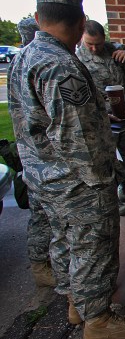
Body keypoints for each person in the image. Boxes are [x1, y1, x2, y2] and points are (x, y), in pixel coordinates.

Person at [7, 0, 125, 339]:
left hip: (44, 177)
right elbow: (80, 139)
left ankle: (76, 303)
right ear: (81, 19)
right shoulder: (61, 67)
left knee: (64, 240)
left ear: (39, 17)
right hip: (76, 182)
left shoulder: (24, 57)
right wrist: (105, 180)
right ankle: (98, 320)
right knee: (93, 247)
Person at [77, 19, 125, 215]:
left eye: (97, 44)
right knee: (106, 158)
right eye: (89, 43)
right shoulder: (77, 58)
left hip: (122, 113)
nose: (93, 48)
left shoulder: (112, 48)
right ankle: (112, 201)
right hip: (100, 118)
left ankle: (124, 190)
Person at [15, 17, 56, 288]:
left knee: (42, 214)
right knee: (46, 216)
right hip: (46, 159)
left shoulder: (20, 61)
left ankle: (43, 264)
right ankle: (43, 265)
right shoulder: (44, 62)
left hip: (32, 156)